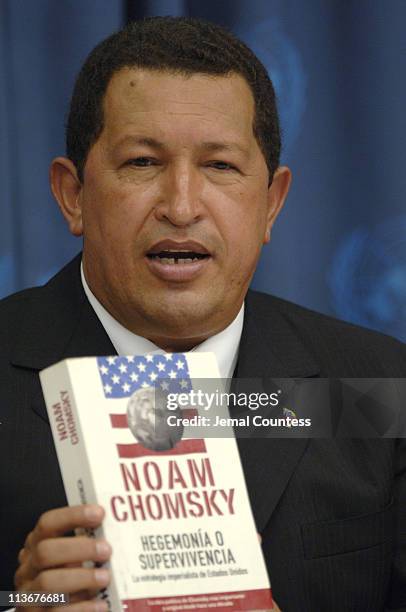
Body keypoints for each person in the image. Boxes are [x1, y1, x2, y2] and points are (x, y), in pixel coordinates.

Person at [1, 16, 405, 612]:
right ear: (73, 195)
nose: (182, 206)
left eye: (220, 166)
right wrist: (20, 604)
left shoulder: (376, 385)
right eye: (142, 162)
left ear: (271, 204)